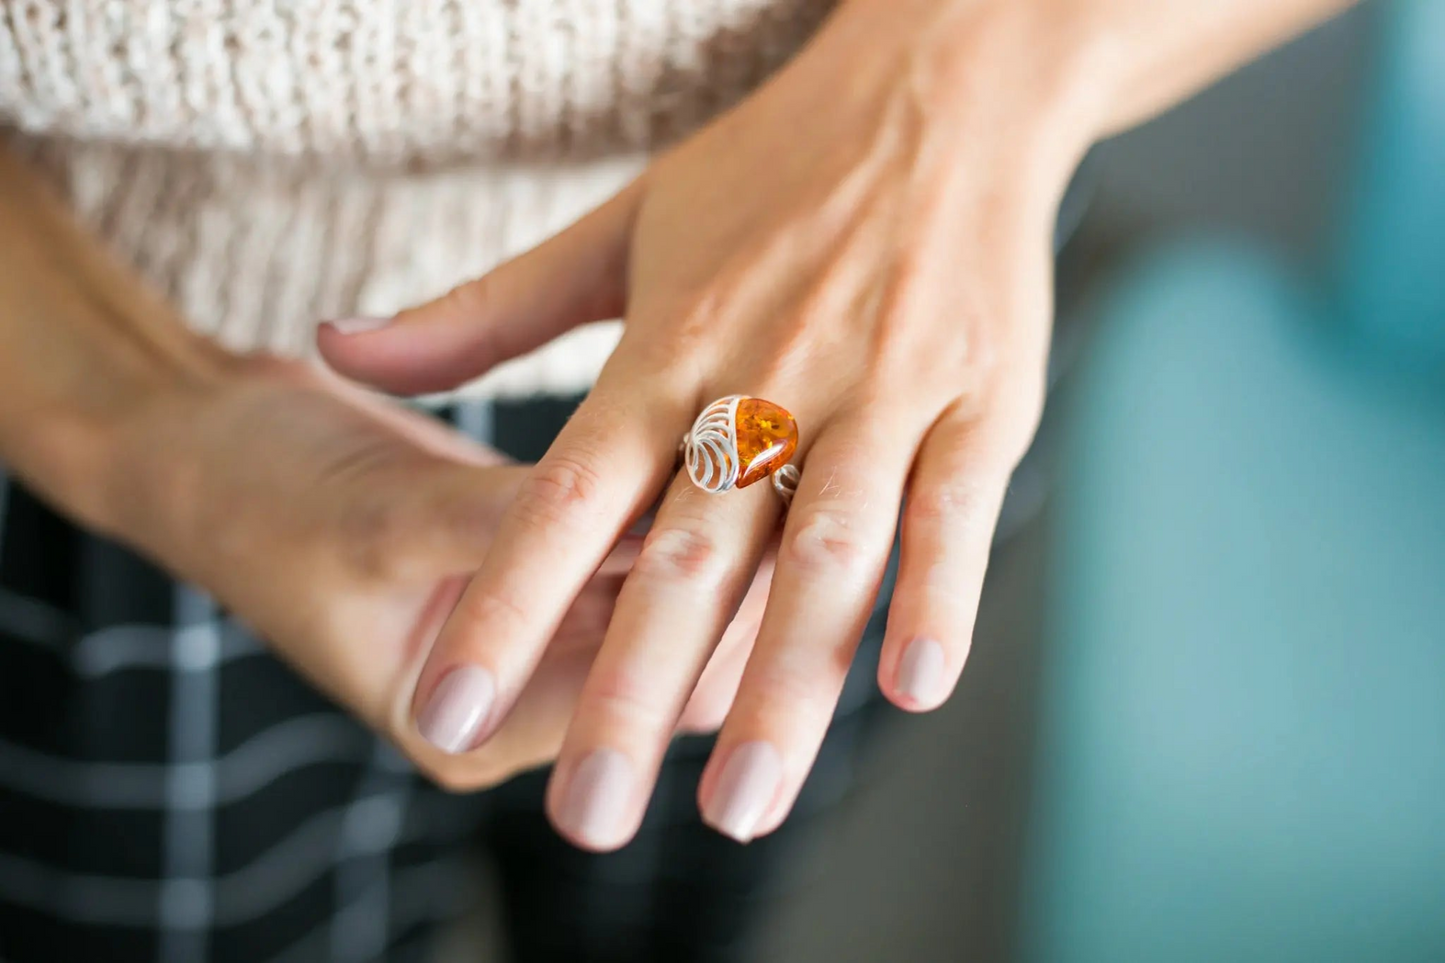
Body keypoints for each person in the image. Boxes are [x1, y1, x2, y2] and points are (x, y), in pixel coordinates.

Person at [0, 0, 1355, 959]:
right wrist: (136, 416)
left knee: (692, 883)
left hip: (888, 324)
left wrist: (953, 80)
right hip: (87, 372)